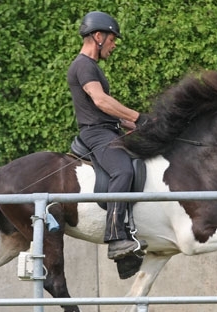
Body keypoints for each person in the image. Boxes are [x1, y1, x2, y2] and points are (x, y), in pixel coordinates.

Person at [67, 11, 149, 260]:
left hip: (107, 129)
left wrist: (133, 124)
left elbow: (106, 110)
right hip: (96, 135)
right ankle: (115, 235)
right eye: (113, 40)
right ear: (98, 36)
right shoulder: (82, 65)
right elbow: (101, 101)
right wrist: (138, 117)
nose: (113, 46)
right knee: (122, 171)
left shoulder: (90, 66)